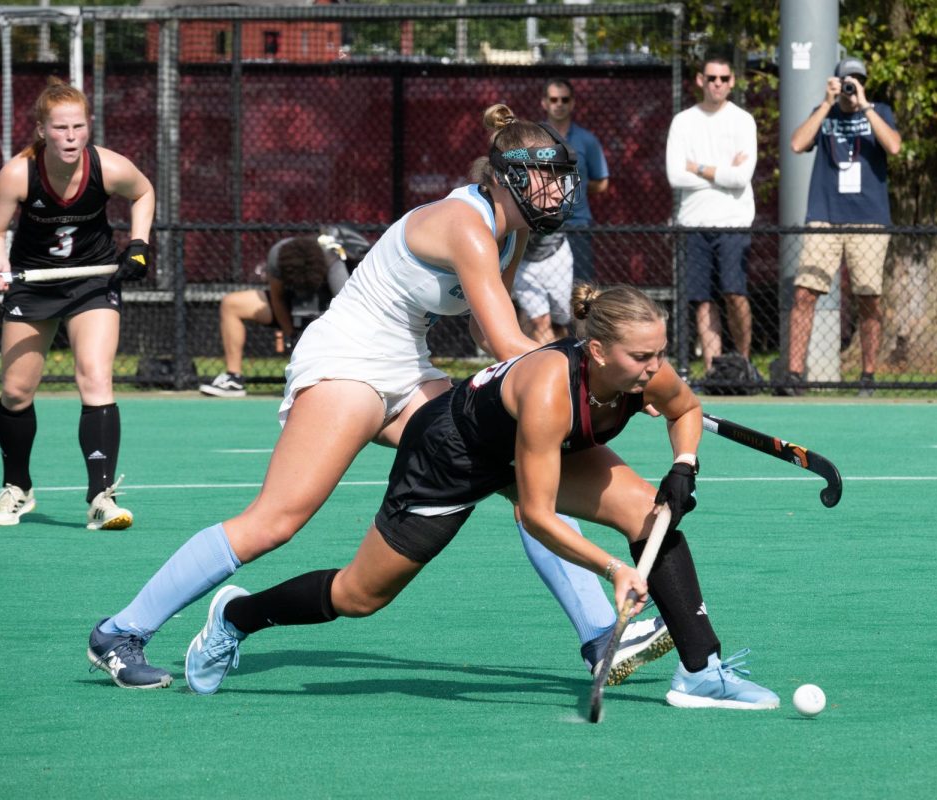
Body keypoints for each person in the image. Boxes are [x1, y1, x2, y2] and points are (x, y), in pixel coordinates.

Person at [86, 104, 670, 691]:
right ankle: (121, 631)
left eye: (558, 175)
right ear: (504, 177)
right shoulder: (465, 223)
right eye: (543, 175)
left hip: (408, 366)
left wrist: (587, 388)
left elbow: (485, 334)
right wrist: (600, 382)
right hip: (349, 359)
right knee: (276, 521)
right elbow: (508, 343)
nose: (556, 189)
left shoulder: (509, 234)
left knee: (525, 473)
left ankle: (600, 638)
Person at [183, 284, 779, 712]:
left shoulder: (645, 371)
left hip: (535, 445)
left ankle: (701, 673)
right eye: (642, 358)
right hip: (450, 454)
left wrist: (683, 464)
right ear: (597, 352)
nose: (655, 368)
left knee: (650, 507)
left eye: (658, 353)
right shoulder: (551, 390)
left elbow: (686, 409)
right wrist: (613, 567)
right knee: (360, 595)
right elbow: (538, 515)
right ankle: (236, 617)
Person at [0, 78, 155, 529]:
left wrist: (138, 243)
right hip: (33, 286)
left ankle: (101, 496)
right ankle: (18, 487)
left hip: (92, 281)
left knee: (95, 377)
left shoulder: (108, 167)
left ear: (89, 126)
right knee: (17, 393)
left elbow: (144, 192)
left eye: (78, 126)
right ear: (42, 130)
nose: (71, 136)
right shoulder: (19, 173)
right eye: (60, 128)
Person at [783, 56, 902, 397]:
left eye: (857, 80)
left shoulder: (879, 110)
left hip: (868, 217)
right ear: (835, 82)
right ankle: (793, 375)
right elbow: (796, 144)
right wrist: (826, 104)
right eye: (846, 80)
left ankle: (868, 375)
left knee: (869, 297)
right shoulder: (825, 113)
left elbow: (893, 145)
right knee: (805, 293)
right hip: (825, 216)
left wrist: (864, 106)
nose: (851, 86)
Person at [665, 55, 758, 376]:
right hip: (693, 222)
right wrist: (723, 170)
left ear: (732, 81)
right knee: (703, 301)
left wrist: (698, 167)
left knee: (734, 293)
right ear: (700, 80)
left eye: (724, 78)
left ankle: (743, 365)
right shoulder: (683, 121)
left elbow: (741, 178)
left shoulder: (743, 120)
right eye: (712, 78)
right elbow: (675, 176)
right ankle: (713, 371)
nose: (717, 84)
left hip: (733, 221)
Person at [199, 229, 369, 398]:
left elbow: (350, 310)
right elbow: (277, 298)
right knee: (232, 304)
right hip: (290, 305)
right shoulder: (279, 254)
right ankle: (233, 379)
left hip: (328, 309)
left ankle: (355, 380)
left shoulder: (332, 261)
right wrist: (291, 335)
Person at [542, 78, 608, 284]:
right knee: (536, 297)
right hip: (540, 225)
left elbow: (602, 183)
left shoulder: (587, 140)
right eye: (554, 99)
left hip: (578, 225)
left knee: (581, 292)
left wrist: (573, 186)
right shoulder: (533, 137)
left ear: (572, 103)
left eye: (564, 99)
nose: (559, 104)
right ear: (544, 103)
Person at [512, 229, 574, 344]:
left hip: (556, 255)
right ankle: (547, 359)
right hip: (522, 262)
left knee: (560, 320)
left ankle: (564, 356)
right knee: (540, 321)